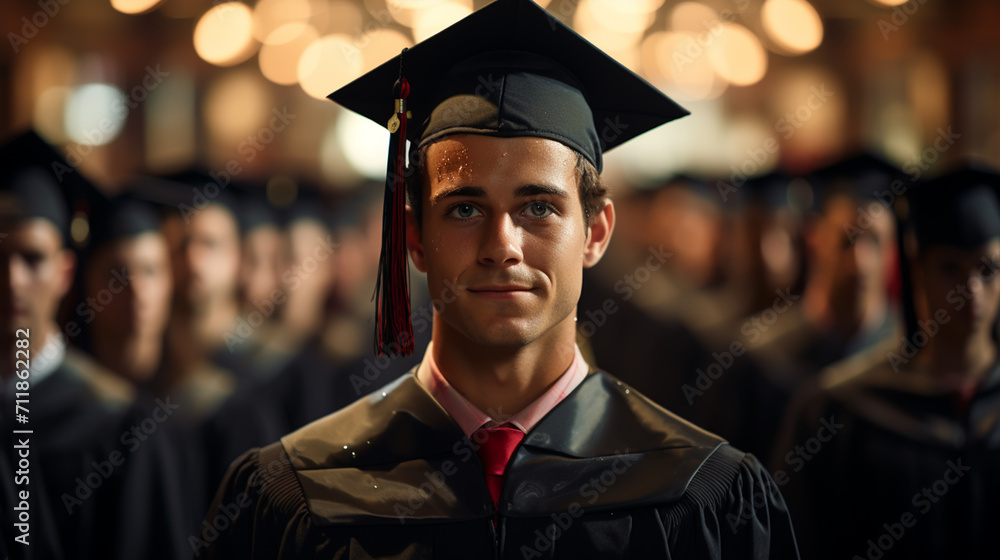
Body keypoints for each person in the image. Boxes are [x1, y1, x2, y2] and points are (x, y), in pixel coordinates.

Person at [201, 1, 799, 558]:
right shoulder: (299, 493)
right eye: (464, 209)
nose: (502, 247)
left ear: (595, 233)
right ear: (413, 238)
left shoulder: (703, 494)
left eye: (538, 207)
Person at [773, 163, 1000, 559]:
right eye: (950, 268)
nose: (971, 292)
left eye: (988, 269)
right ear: (917, 271)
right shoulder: (842, 410)